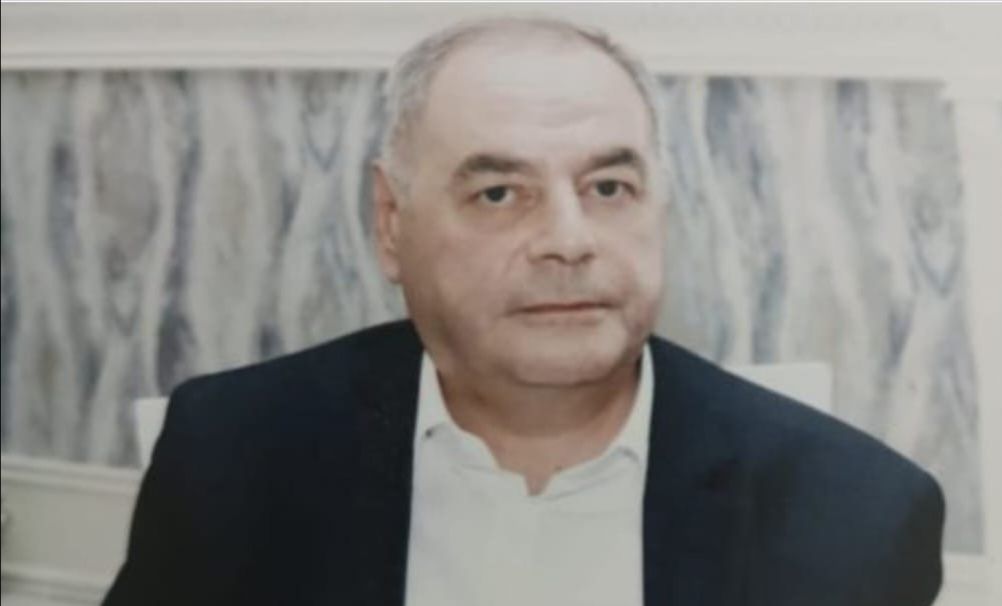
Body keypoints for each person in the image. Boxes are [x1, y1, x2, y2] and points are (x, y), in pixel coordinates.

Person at [103, 17, 945, 606]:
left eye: (607, 187)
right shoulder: (233, 452)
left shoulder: (855, 511)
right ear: (391, 224)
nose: (568, 241)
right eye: (499, 193)